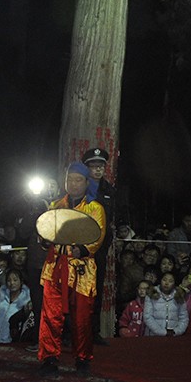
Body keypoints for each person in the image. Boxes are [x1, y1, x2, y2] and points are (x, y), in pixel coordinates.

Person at [37, 162, 106, 376]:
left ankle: (83, 358)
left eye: (78, 180)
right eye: (70, 179)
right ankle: (49, 358)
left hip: (82, 270)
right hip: (55, 267)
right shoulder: (55, 206)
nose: (73, 184)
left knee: (82, 317)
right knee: (50, 315)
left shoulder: (95, 208)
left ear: (86, 182)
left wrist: (83, 250)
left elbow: (98, 237)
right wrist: (45, 241)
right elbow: (46, 232)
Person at [83, 148, 114, 347]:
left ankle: (94, 332)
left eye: (101, 166)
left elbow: (111, 218)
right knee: (77, 291)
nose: (98, 170)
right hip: (80, 247)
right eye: (94, 166)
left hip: (100, 248)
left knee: (97, 290)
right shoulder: (80, 187)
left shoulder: (109, 189)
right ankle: (71, 331)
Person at [0, 268, 31, 344]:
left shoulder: (26, 301)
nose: (12, 283)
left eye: (15, 280)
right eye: (9, 280)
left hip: (14, 343)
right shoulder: (0, 298)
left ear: (21, 281)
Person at [143, 271, 189, 336]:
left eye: (170, 281)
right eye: (164, 280)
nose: (166, 283)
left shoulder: (179, 295)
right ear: (160, 280)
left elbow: (184, 318)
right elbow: (147, 317)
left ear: (174, 283)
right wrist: (163, 332)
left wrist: (176, 332)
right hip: (153, 335)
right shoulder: (152, 294)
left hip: (173, 336)